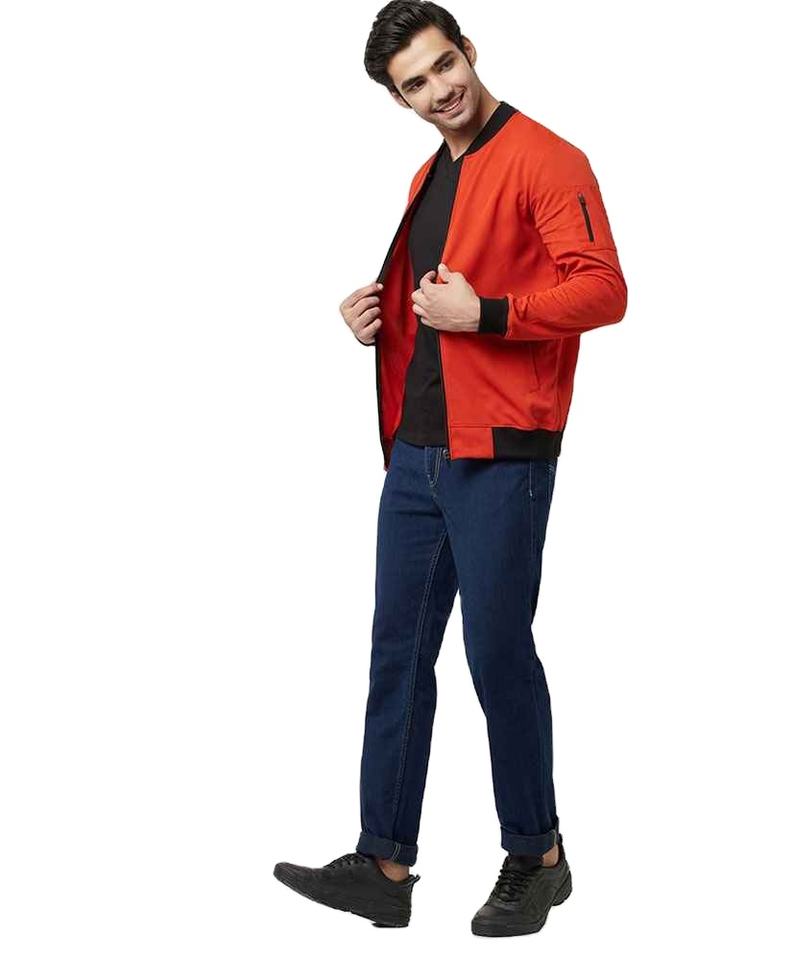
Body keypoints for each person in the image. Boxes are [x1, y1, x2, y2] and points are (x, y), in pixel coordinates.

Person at [274, 0, 626, 937]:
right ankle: (384, 863)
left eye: (442, 65)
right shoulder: (427, 176)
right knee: (397, 654)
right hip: (417, 453)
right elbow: (438, 304)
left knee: (496, 654)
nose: (439, 90)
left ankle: (538, 856)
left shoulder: (548, 159)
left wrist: (491, 315)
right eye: (415, 85)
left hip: (502, 453)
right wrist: (377, 320)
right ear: (399, 100)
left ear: (469, 50)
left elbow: (603, 289)